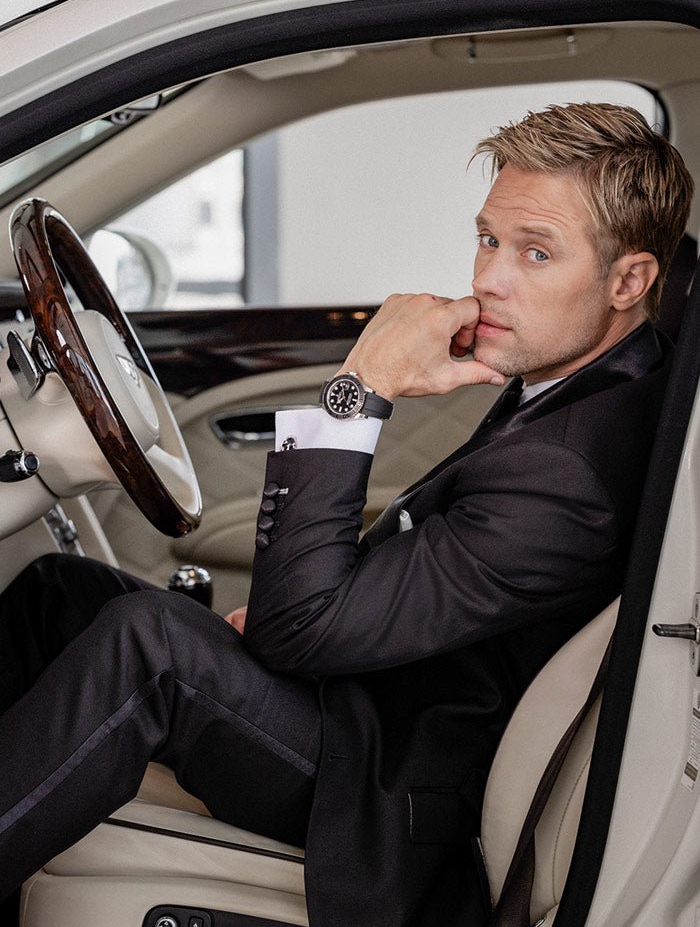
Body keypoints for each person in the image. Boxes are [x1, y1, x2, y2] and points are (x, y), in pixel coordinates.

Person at [0, 103, 693, 926]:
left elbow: (301, 629)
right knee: (59, 592)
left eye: (535, 253)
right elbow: (401, 578)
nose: (489, 278)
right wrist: (313, 613)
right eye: (488, 239)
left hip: (390, 789)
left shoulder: (569, 472)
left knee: (147, 644)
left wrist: (360, 386)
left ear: (629, 281)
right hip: (380, 699)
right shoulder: (590, 378)